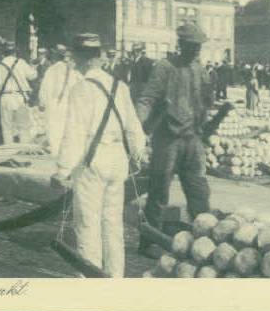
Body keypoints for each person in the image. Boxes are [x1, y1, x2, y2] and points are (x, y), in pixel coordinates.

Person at [54, 33, 146, 277]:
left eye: (75, 58)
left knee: (87, 224)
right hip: (118, 161)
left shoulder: (81, 89)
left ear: (82, 59)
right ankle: (115, 278)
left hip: (93, 163)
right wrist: (138, 154)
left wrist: (62, 170)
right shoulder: (120, 86)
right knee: (113, 223)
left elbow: (74, 133)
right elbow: (134, 127)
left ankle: (90, 282)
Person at [136, 23, 213, 258]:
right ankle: (148, 242)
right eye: (192, 46)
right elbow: (147, 98)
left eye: (198, 46)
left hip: (193, 140)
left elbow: (206, 100)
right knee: (159, 193)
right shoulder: (164, 67)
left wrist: (205, 123)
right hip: (168, 140)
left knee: (199, 193)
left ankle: (204, 242)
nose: (196, 50)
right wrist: (137, 128)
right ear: (181, 45)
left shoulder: (200, 70)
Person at [0, 40, 38, 145]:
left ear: (3, 52)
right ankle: (24, 149)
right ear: (15, 52)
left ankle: (8, 150)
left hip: (5, 98)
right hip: (20, 96)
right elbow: (33, 76)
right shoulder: (21, 62)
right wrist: (34, 67)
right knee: (24, 126)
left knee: (7, 127)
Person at [38, 44, 81, 155]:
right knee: (68, 131)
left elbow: (44, 89)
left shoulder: (51, 70)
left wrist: (42, 103)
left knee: (54, 132)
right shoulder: (74, 71)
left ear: (55, 56)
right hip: (69, 105)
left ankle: (55, 154)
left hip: (54, 105)